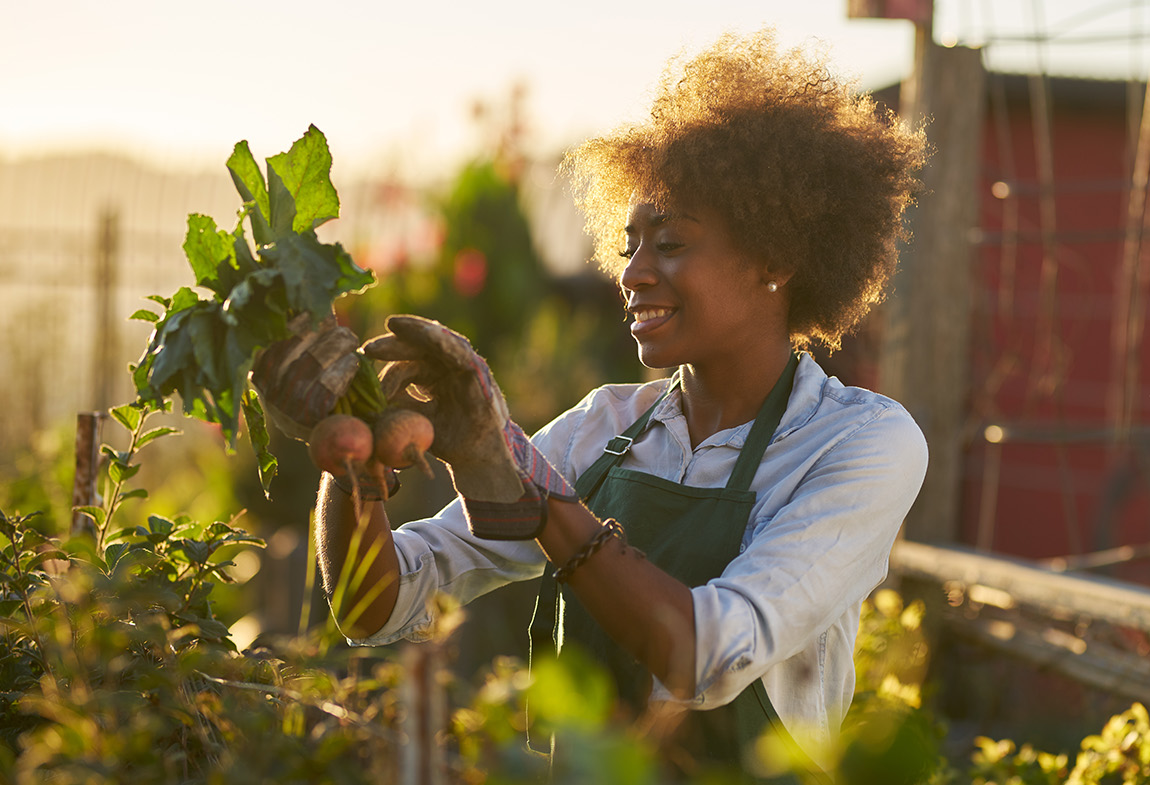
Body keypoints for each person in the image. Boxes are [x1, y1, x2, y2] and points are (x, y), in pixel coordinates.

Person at [257, 29, 928, 781]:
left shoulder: (858, 442)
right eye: (628, 244)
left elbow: (706, 655)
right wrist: (352, 458)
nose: (634, 273)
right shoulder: (606, 428)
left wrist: (537, 497)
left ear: (775, 257)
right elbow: (376, 605)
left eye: (670, 243)